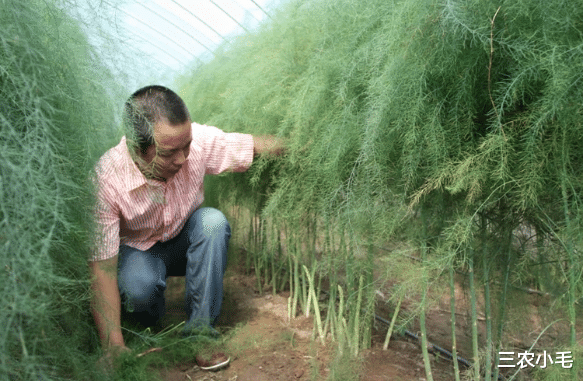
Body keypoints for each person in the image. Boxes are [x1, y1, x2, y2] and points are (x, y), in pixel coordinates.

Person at [89, 85, 284, 371]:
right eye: (169, 153)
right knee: (140, 292)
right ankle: (151, 318)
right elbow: (102, 268)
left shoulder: (195, 143)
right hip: (139, 251)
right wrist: (113, 345)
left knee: (212, 223)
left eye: (187, 145)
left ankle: (201, 332)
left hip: (183, 239)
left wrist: (304, 143)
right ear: (136, 147)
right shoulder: (106, 181)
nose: (182, 158)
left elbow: (251, 145)